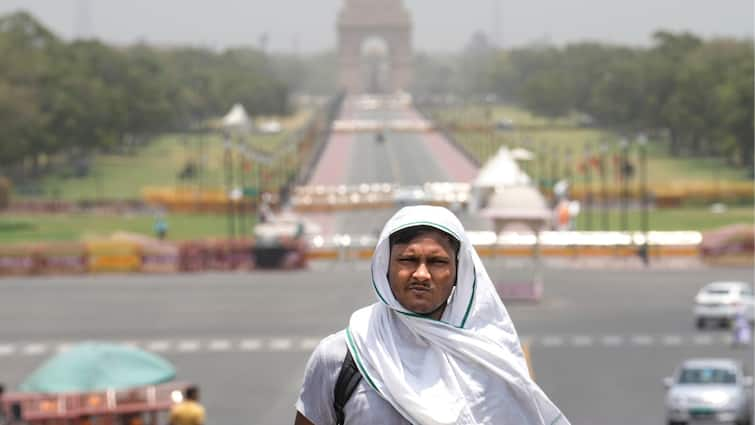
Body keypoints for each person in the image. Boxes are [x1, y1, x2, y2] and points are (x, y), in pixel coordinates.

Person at [294, 205, 570, 425]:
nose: (421, 274)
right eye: (408, 260)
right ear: (385, 266)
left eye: (437, 262)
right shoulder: (341, 356)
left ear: (458, 274)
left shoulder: (488, 359)